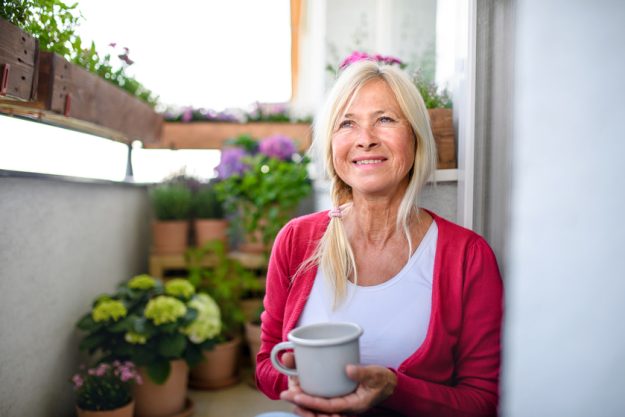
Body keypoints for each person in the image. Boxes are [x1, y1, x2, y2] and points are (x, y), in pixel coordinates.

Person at [255, 58, 503, 417]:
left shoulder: (468, 256)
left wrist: (392, 388)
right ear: (331, 145)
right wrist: (301, 386)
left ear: (416, 137)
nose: (366, 139)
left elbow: (482, 401)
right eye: (347, 123)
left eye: (385, 119)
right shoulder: (296, 239)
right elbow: (267, 364)